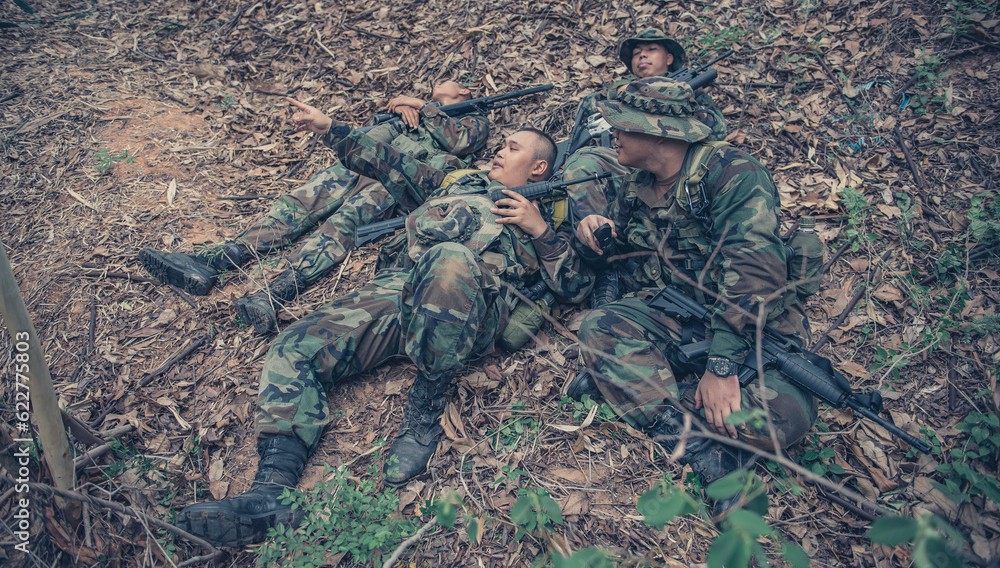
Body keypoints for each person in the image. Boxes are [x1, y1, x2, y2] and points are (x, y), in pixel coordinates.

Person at [174, 115, 594, 547]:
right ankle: (272, 492)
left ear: (539, 167)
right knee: (294, 349)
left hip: (473, 314)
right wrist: (330, 128)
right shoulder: (455, 185)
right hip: (398, 294)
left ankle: (424, 411)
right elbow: (388, 161)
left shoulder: (551, 214)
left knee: (450, 259)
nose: (499, 151)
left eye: (512, 147)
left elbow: (576, 287)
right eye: (501, 144)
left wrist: (539, 230)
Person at [572, 76, 816, 502]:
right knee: (601, 326)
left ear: (658, 131)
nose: (612, 133)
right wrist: (595, 235)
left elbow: (756, 270)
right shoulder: (638, 185)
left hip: (754, 328)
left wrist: (721, 366)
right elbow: (624, 259)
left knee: (782, 420)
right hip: (680, 316)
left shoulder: (731, 172)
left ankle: (644, 388)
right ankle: (703, 454)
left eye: (621, 124)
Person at [139, 80, 490, 335]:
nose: (437, 84)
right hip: (359, 160)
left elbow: (459, 140)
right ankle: (217, 260)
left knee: (341, 226)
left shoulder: (473, 117)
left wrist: (418, 104)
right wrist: (400, 104)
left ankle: (273, 295)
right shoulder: (411, 110)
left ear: (465, 93)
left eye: (448, 82)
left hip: (397, 176)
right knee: (297, 205)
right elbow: (375, 124)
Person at [560, 28, 728, 227]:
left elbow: (716, 130)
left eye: (651, 49)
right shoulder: (623, 88)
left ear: (669, 58)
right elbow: (588, 104)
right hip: (624, 160)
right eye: (637, 52)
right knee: (581, 165)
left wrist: (677, 105)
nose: (642, 54)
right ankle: (597, 234)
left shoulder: (688, 90)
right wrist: (621, 93)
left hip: (674, 164)